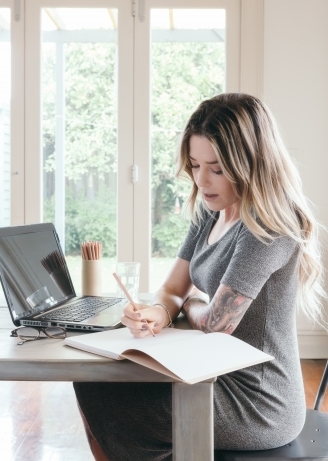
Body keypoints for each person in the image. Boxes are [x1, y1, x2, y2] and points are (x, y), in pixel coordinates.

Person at [73, 93, 326, 461]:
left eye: (217, 168)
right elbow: (174, 287)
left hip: (257, 400)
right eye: (194, 165)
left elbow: (215, 326)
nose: (202, 180)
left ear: (251, 163)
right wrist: (158, 312)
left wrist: (191, 302)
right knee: (96, 382)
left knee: (101, 392)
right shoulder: (211, 210)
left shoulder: (266, 229)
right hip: (211, 372)